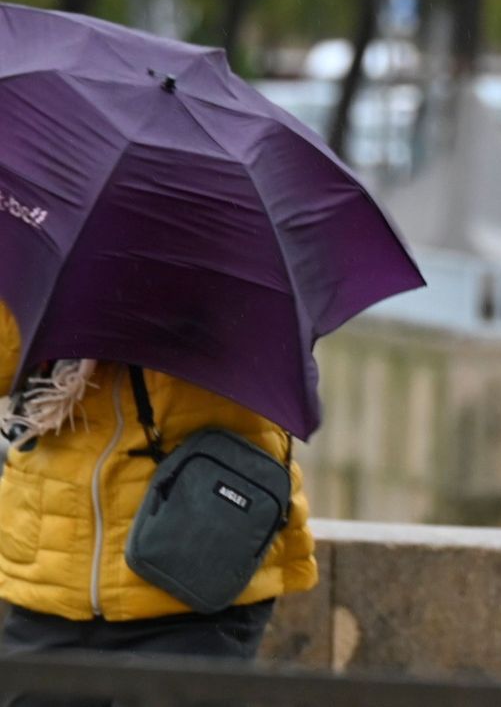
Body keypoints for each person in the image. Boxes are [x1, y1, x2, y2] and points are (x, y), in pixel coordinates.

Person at [0, 299, 317, 704]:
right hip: (55, 573)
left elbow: (276, 367)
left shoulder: (235, 255)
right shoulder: (50, 248)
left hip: (190, 574)